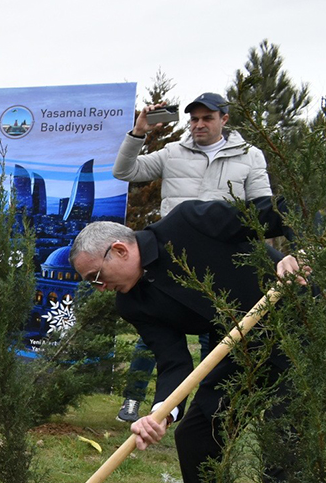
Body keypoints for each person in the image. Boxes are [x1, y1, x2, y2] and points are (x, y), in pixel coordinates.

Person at [69, 199, 303, 483]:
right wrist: (161, 412)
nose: (99, 289)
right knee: (196, 433)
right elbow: (174, 363)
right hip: (243, 348)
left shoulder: (190, 223)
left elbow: (283, 210)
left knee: (283, 450)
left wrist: (298, 254)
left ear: (120, 250)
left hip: (300, 326)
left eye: (96, 278)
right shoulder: (132, 302)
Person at [110, 92, 272, 423]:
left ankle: (212, 413)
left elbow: (263, 209)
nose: (198, 125)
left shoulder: (249, 156)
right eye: (194, 119)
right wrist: (138, 131)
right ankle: (135, 401)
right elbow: (125, 171)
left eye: (206, 118)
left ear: (223, 120)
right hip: (169, 263)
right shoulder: (173, 153)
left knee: (218, 342)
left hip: (220, 267)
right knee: (155, 340)